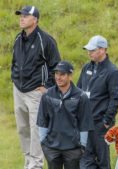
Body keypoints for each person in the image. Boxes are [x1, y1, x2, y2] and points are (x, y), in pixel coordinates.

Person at [11, 5, 61, 169]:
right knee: (22, 129)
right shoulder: (19, 38)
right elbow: (14, 63)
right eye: (21, 15)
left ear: (35, 20)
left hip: (35, 92)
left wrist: (47, 86)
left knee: (36, 129)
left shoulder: (45, 40)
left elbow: (56, 66)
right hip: (18, 89)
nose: (21, 18)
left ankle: (36, 164)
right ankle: (28, 161)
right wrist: (14, 79)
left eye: (25, 16)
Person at [36, 61, 94, 169]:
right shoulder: (47, 95)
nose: (58, 77)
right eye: (56, 74)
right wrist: (43, 143)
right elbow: (42, 120)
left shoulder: (81, 96)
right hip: (51, 148)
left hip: (73, 149)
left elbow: (84, 123)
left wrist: (82, 146)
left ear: (70, 76)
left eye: (62, 74)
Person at [77, 35, 118, 169]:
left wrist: (106, 121)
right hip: (85, 122)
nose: (89, 52)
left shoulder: (113, 72)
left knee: (102, 160)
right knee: (85, 159)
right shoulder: (86, 67)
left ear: (103, 50)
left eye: (92, 50)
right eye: (88, 50)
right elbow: (79, 90)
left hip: (100, 125)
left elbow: (115, 99)